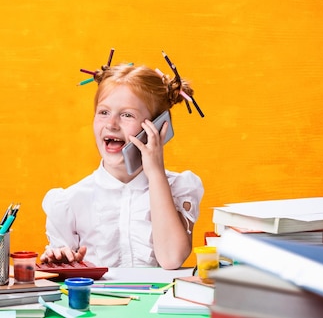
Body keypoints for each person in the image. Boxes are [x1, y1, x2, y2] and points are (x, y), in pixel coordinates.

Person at [40, 50, 204, 269]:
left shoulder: (179, 188)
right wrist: (61, 261)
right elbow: (67, 278)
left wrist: (155, 172)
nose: (112, 124)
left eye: (127, 115)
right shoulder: (70, 202)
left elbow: (172, 258)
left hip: (159, 302)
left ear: (157, 127)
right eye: (104, 112)